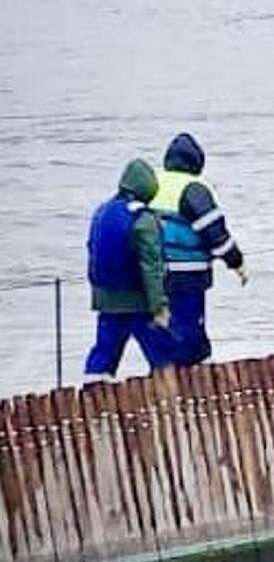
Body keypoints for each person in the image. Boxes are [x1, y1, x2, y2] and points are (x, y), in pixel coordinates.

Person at [152, 132, 247, 367]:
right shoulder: (194, 188)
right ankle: (192, 380)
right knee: (190, 331)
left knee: (160, 330)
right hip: (186, 271)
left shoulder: (152, 183)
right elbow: (214, 232)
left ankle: (162, 377)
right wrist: (236, 262)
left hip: (150, 271)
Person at [83, 159, 173, 381]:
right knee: (161, 355)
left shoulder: (102, 211)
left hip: (106, 298)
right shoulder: (143, 219)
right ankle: (167, 398)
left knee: (104, 353)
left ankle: (93, 397)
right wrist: (158, 306)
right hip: (138, 300)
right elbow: (151, 268)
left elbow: (91, 248)